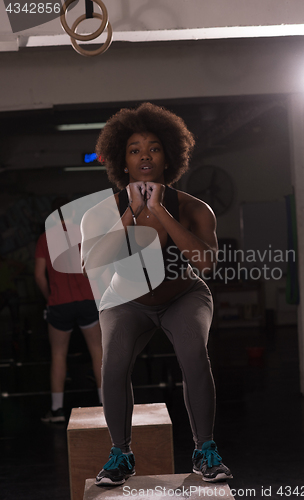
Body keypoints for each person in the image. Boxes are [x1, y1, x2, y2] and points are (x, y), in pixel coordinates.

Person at [81, 102, 233, 485]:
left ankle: (205, 450)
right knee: (113, 367)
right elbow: (93, 262)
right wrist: (131, 212)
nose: (144, 155)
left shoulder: (194, 208)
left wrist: (161, 211)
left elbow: (206, 265)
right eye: (134, 149)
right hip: (125, 300)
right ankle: (121, 454)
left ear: (168, 156)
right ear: (122, 160)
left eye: (153, 147)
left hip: (183, 296)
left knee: (194, 356)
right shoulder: (100, 213)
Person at [35, 198, 103, 423]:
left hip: (59, 303)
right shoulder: (86, 234)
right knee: (97, 351)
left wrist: (50, 298)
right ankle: (106, 405)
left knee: (58, 354)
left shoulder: (45, 237)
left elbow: (39, 276)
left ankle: (56, 411)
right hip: (87, 300)